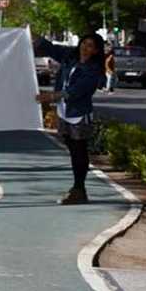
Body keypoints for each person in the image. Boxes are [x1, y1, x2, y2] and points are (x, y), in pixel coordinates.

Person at [33, 33, 106, 205]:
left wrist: (51, 96)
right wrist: (34, 37)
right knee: (72, 149)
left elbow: (76, 91)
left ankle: (79, 189)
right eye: (84, 44)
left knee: (79, 150)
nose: (85, 48)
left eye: (90, 46)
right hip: (64, 112)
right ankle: (78, 189)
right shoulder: (70, 56)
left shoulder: (93, 70)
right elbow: (51, 49)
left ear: (96, 51)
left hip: (79, 114)